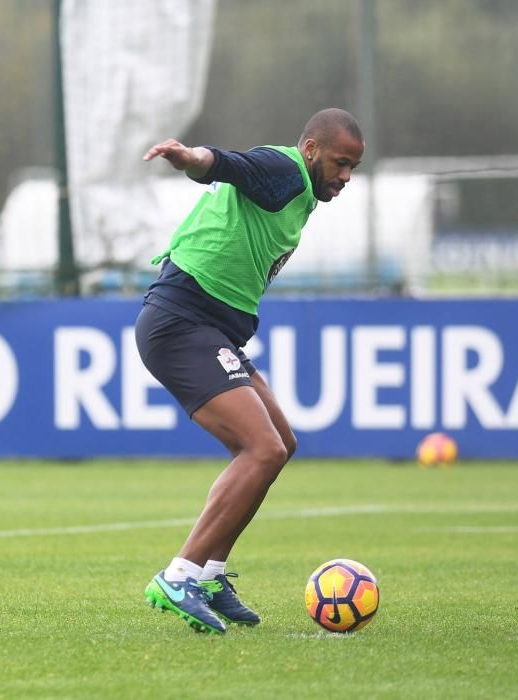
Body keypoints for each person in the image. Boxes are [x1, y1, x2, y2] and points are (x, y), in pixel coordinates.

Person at [135, 108, 364, 634]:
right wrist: (191, 158)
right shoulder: (285, 170)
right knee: (262, 447)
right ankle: (180, 574)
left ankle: (211, 574)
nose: (346, 177)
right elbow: (228, 165)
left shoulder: (301, 195)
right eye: (340, 163)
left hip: (210, 330)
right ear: (311, 150)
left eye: (353, 167)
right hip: (181, 322)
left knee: (280, 441)